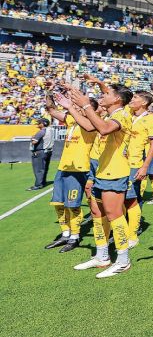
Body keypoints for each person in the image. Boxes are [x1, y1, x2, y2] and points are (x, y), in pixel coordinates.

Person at [63, 83, 135, 279]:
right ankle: (102, 256)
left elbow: (103, 129)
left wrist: (86, 105)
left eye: (107, 93)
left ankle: (123, 260)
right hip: (101, 172)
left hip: (115, 173)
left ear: (118, 99)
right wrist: (70, 107)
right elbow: (89, 126)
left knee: (114, 215)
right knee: (97, 213)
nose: (102, 96)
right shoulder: (110, 116)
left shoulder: (122, 115)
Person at [44, 94, 98, 253]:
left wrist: (71, 107)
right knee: (58, 203)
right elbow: (52, 110)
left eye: (79, 106)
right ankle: (65, 233)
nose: (75, 107)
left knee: (72, 205)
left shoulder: (93, 123)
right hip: (64, 167)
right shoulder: (71, 120)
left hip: (79, 169)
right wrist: (49, 93)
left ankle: (75, 236)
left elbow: (88, 126)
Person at [124, 91, 153, 248]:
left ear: (144, 103)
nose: (132, 100)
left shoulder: (151, 119)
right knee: (120, 199)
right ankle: (124, 228)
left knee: (131, 198)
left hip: (134, 164)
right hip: (119, 163)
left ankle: (132, 234)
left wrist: (145, 166)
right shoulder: (127, 113)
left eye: (135, 98)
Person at [28, 118, 50, 191]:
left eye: (39, 123)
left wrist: (32, 138)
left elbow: (34, 142)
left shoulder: (41, 132)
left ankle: (38, 185)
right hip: (47, 151)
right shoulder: (49, 130)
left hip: (39, 152)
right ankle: (42, 182)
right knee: (44, 168)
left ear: (43, 124)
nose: (38, 124)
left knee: (38, 169)